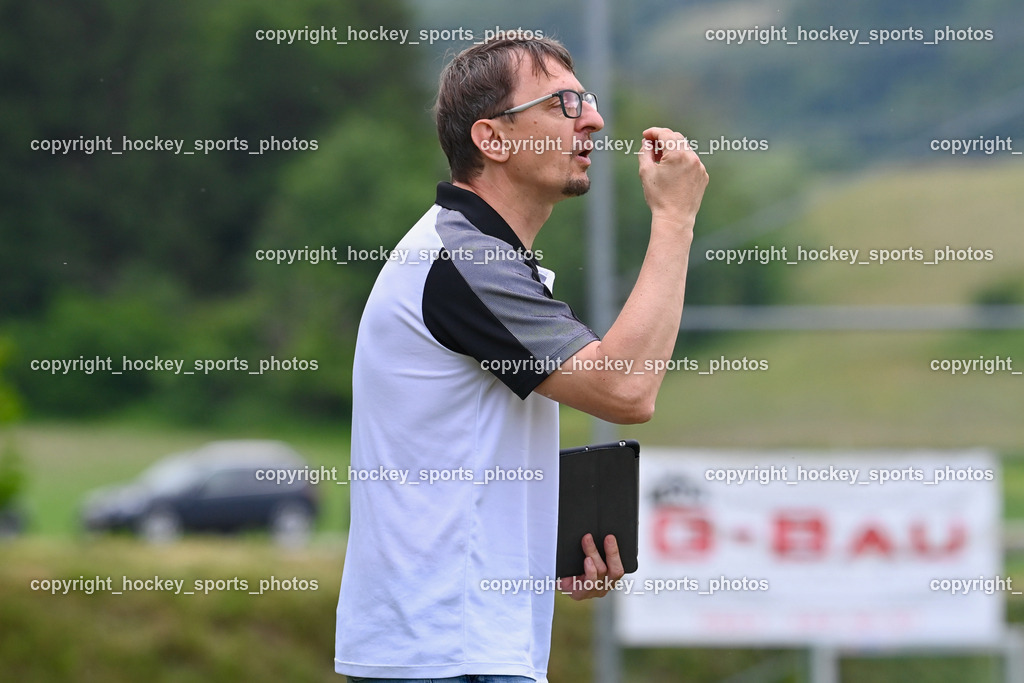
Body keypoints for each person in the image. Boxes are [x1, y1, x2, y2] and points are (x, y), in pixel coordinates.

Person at [335, 31, 708, 683]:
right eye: (563, 104)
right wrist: (674, 221)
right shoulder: (464, 258)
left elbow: (466, 449)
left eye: (587, 100)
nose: (593, 118)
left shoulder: (481, 257)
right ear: (493, 139)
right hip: (446, 656)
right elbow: (626, 391)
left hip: (454, 650)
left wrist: (547, 545)